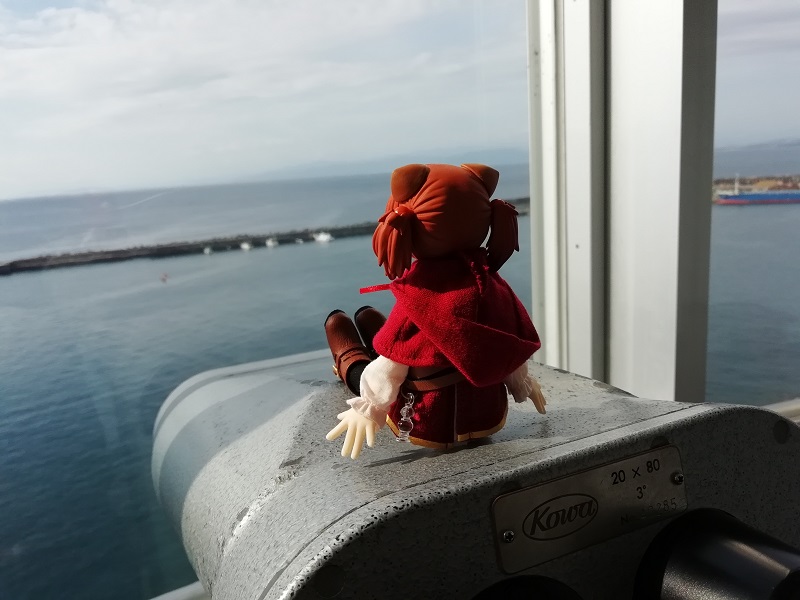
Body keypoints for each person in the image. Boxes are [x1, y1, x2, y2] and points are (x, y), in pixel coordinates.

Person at [325, 163, 546, 459]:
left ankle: (348, 356)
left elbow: (389, 367)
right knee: (397, 336)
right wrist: (521, 383)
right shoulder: (489, 283)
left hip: (431, 417)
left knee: (373, 360)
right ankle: (375, 328)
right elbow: (503, 341)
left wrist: (369, 408)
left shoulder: (422, 294)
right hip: (485, 411)